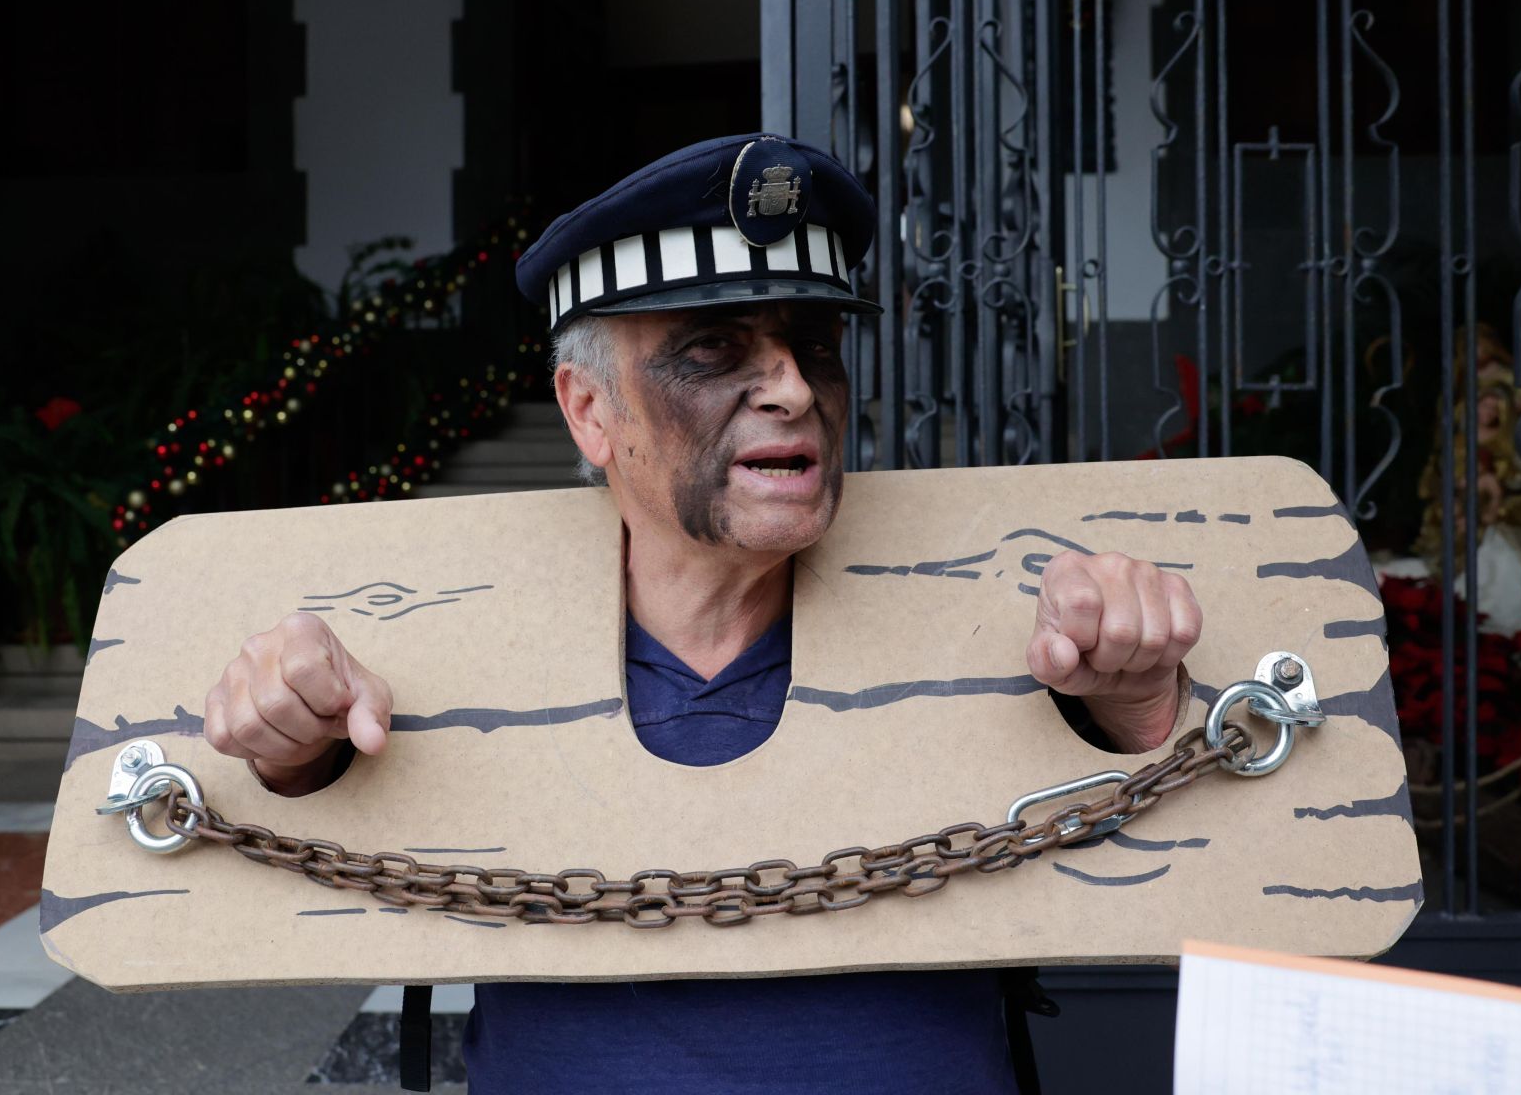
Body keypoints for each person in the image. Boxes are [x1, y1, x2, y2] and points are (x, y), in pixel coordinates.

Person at [200, 135, 1198, 1093]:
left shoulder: (997, 628)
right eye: (713, 351)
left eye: (815, 345)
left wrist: (1135, 698)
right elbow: (293, 812)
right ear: (591, 410)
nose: (796, 389)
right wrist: (295, 751)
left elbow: (1187, 785)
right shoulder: (462, 653)